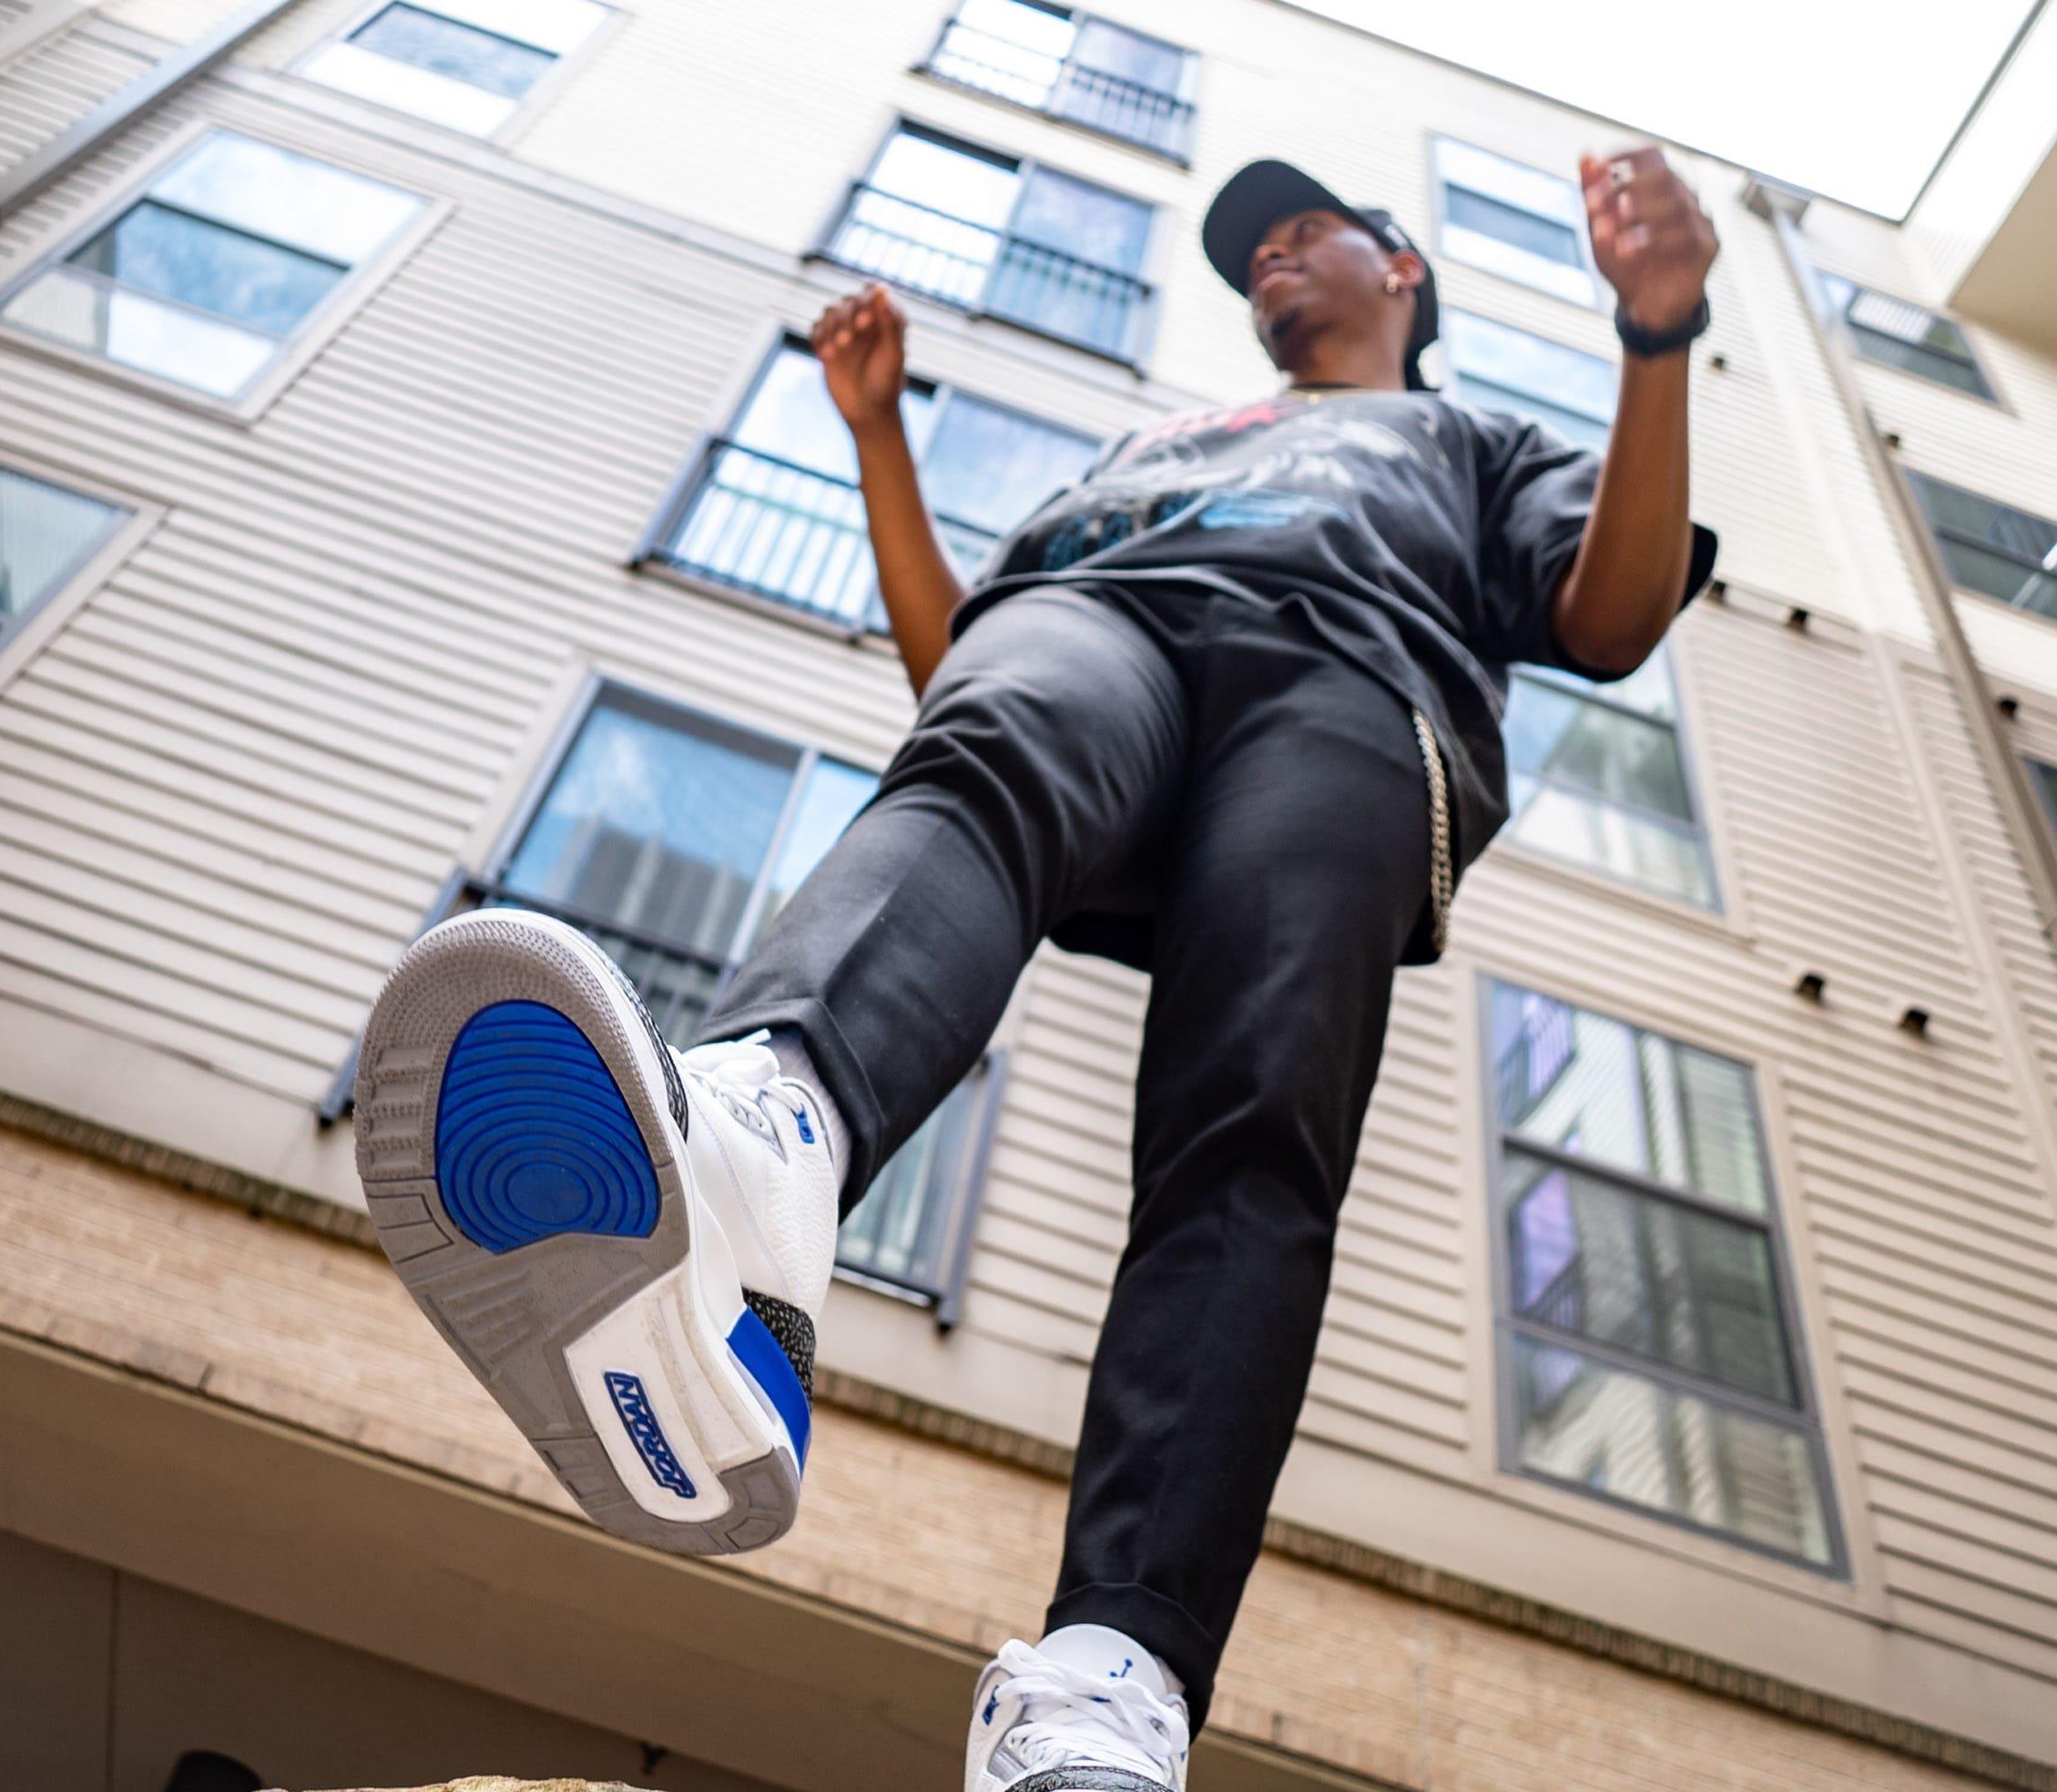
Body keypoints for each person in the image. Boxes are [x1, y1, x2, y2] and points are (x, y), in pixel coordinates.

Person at [350, 146, 1722, 1792]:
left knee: (1252, 1121)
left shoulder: (1471, 437)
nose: (1272, 257)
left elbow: (1614, 608)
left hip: (1353, 685)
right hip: (1105, 626)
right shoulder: (1151, 448)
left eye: (1306, 233)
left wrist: (1659, 334)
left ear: (1402, 273)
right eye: (1252, 250)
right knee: (993, 737)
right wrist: (878, 441)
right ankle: (760, 1148)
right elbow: (957, 680)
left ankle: (1109, 1682)